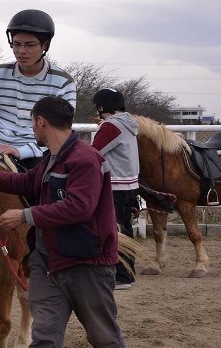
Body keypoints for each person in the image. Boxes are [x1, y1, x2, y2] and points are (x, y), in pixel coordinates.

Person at [0, 95, 125, 347]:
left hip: (87, 265)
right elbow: (25, 182)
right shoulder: (52, 158)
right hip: (49, 263)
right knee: (45, 337)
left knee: (104, 338)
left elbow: (79, 208)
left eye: (31, 123)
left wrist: (24, 215)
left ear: (41, 122)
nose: (31, 129)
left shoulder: (84, 159)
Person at [0, 9, 77, 170]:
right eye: (17, 44)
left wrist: (22, 151)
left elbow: (59, 131)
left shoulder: (63, 82)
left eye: (30, 45)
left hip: (38, 153)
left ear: (45, 45)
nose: (21, 51)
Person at [91, 88, 140, 290]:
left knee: (115, 230)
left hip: (115, 185)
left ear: (102, 107)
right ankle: (127, 273)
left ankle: (122, 276)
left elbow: (94, 152)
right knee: (125, 229)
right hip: (130, 184)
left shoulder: (111, 126)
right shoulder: (128, 125)